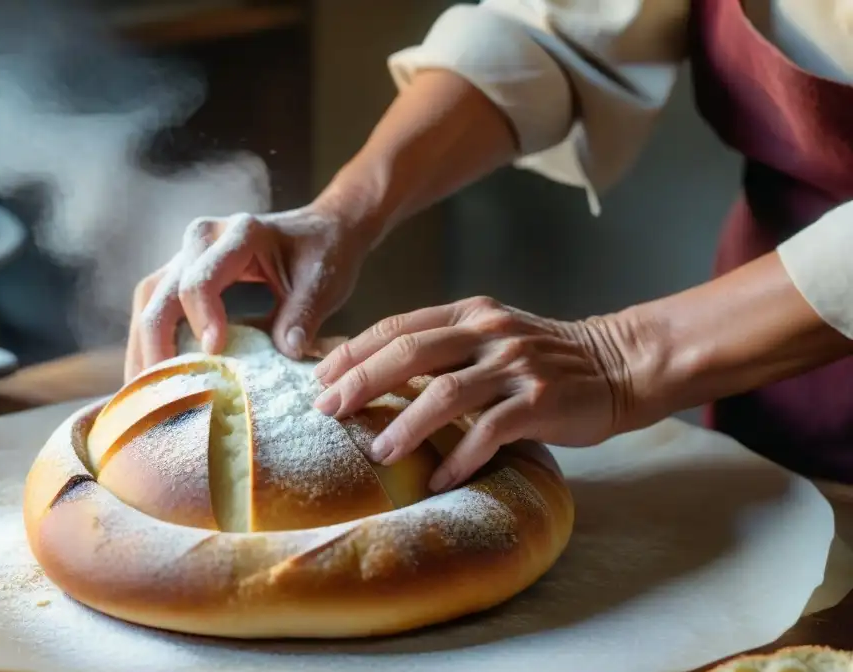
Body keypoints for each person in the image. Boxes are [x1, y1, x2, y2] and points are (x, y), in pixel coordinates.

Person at [125, 0, 853, 497]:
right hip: (778, 400)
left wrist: (623, 354)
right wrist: (342, 211)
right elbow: (559, 31)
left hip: (738, 333)